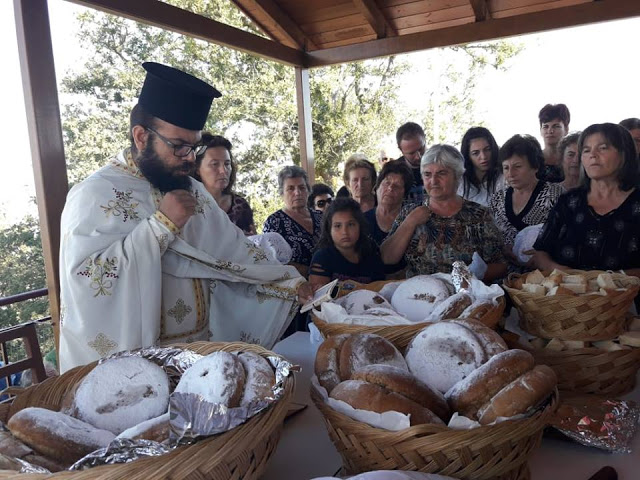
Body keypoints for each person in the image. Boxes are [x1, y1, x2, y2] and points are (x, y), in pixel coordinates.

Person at [58, 63, 313, 372]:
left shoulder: (193, 191)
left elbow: (235, 250)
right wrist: (159, 227)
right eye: (178, 146)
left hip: (202, 354)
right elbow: (86, 282)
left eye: (194, 147)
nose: (190, 159)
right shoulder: (94, 195)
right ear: (141, 137)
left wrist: (288, 281)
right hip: (143, 364)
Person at [381, 144, 506, 281]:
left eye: (441, 173)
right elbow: (387, 258)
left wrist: (468, 278)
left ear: (457, 176)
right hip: (420, 297)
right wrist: (410, 222)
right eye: (427, 174)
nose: (433, 181)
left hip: (468, 296)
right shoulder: (410, 212)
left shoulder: (479, 215)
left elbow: (500, 265)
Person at [529, 123, 640, 276]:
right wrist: (566, 275)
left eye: (602, 148)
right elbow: (540, 252)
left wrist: (608, 280)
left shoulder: (636, 204)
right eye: (586, 150)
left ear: (624, 153)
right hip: (567, 296)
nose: (592, 155)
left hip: (625, 297)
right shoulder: (568, 201)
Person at [489, 134, 564, 251]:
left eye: (517, 166)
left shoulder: (555, 194)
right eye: (506, 168)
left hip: (544, 267)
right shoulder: (497, 199)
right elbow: (490, 238)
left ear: (535, 166)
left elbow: (567, 235)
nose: (511, 174)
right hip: (505, 267)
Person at [309, 198, 385, 288]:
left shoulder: (371, 250)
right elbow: (318, 297)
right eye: (338, 226)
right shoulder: (322, 257)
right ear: (329, 229)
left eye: (351, 224)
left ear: (360, 226)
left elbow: (380, 288)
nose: (345, 231)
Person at [263, 165, 323, 277]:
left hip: (330, 280)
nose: (297, 192)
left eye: (302, 187)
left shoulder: (322, 217)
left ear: (308, 190)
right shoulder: (274, 222)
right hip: (296, 284)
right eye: (291, 188)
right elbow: (272, 260)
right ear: (282, 193)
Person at [194, 133, 256, 235]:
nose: (223, 170)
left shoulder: (240, 206)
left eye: (227, 164)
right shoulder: (188, 204)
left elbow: (252, 243)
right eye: (215, 164)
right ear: (197, 169)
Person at [364, 159, 414, 246]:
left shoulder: (412, 220)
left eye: (397, 185)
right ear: (377, 187)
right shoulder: (361, 221)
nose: (390, 188)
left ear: (404, 194)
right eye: (387, 183)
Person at [458, 127, 505, 206]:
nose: (483, 157)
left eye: (487, 149)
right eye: (476, 153)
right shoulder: (460, 183)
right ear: (468, 156)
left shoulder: (504, 177)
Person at [538, 103, 570, 182]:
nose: (550, 131)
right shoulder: (533, 159)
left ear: (566, 129)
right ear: (540, 130)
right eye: (545, 126)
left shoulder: (573, 160)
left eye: (556, 126)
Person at [396, 122, 427, 204]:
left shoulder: (440, 164)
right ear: (401, 150)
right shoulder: (393, 171)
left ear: (425, 140)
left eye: (421, 149)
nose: (418, 156)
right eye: (411, 153)